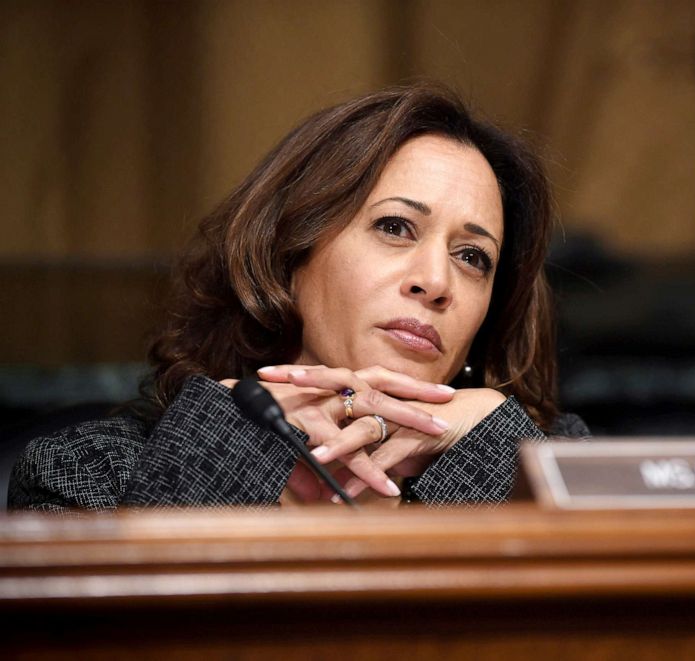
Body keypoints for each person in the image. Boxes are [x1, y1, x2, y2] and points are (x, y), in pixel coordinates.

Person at [8, 83, 588, 512]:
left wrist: (501, 461)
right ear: (289, 255)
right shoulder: (87, 474)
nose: (436, 282)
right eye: (394, 227)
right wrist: (229, 448)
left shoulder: (558, 466)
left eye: (472, 257)